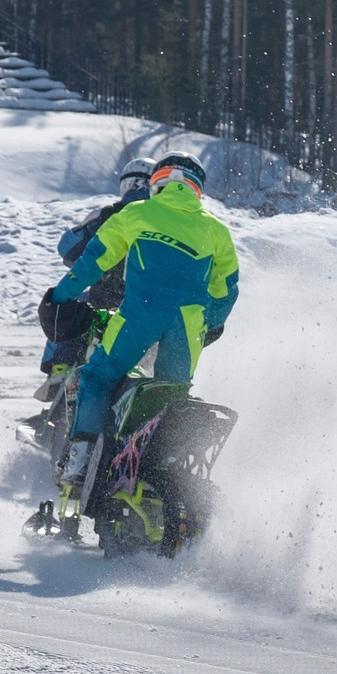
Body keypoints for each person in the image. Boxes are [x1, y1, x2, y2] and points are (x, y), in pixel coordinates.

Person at [47, 154, 239, 518]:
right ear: (196, 189)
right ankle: (161, 465)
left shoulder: (137, 214)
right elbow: (226, 292)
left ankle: (79, 463)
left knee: (97, 377)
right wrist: (206, 324)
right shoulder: (217, 230)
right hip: (186, 327)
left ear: (158, 182)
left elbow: (94, 259)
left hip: (138, 315)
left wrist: (60, 297)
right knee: (170, 396)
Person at [40, 159, 154, 372]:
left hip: (102, 303)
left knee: (66, 304)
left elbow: (67, 247)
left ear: (127, 184)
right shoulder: (167, 222)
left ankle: (60, 369)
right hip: (148, 308)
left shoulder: (108, 215)